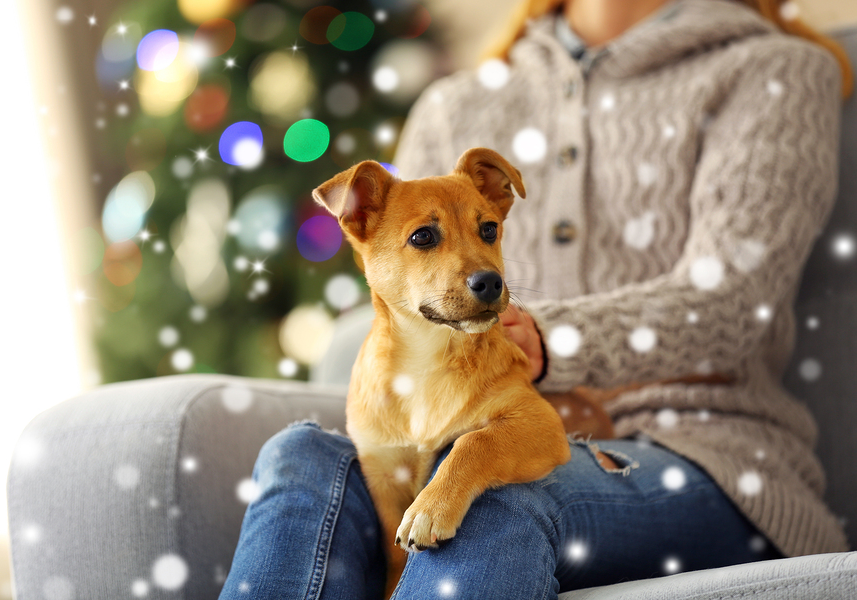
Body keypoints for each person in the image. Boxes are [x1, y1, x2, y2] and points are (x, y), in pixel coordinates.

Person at [218, 0, 854, 598]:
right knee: (299, 458)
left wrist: (548, 340)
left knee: (486, 495)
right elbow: (401, 280)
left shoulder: (775, 70)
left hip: (709, 454)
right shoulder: (454, 103)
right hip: (472, 423)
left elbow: (734, 302)